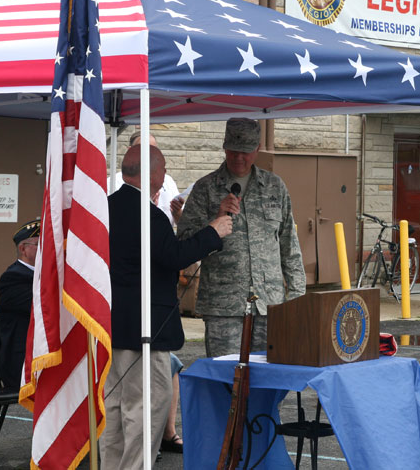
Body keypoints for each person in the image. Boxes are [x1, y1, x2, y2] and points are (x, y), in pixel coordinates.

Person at [100, 144, 232, 469]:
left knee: (114, 408)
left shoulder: (105, 208)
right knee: (145, 411)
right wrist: (214, 231)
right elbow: (174, 256)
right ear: (154, 174)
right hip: (146, 332)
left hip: (110, 328)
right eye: (163, 171)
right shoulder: (148, 215)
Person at [177, 118, 306, 357]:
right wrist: (213, 222)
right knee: (225, 378)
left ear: (257, 149)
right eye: (233, 152)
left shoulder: (274, 186)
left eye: (245, 152)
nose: (239, 158)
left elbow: (289, 245)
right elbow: (184, 243)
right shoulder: (206, 188)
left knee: (268, 377)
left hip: (269, 305)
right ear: (225, 148)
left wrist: (297, 299)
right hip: (223, 305)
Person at [0, 219, 39, 390]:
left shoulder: (45, 275)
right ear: (23, 249)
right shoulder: (13, 278)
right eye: (39, 244)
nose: (46, 248)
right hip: (23, 362)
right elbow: (43, 307)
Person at [109, 130, 182, 225]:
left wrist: (177, 212)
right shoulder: (114, 182)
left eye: (154, 149)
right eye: (143, 149)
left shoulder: (168, 181)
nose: (149, 154)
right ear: (130, 151)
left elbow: (181, 223)